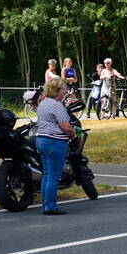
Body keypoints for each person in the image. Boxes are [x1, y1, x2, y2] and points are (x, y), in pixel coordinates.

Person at [35, 77, 78, 215]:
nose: (65, 91)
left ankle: (45, 204)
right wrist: (74, 135)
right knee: (54, 176)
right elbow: (66, 126)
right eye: (64, 89)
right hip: (54, 142)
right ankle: (50, 206)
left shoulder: (43, 102)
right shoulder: (56, 105)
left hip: (41, 140)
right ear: (57, 90)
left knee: (47, 174)